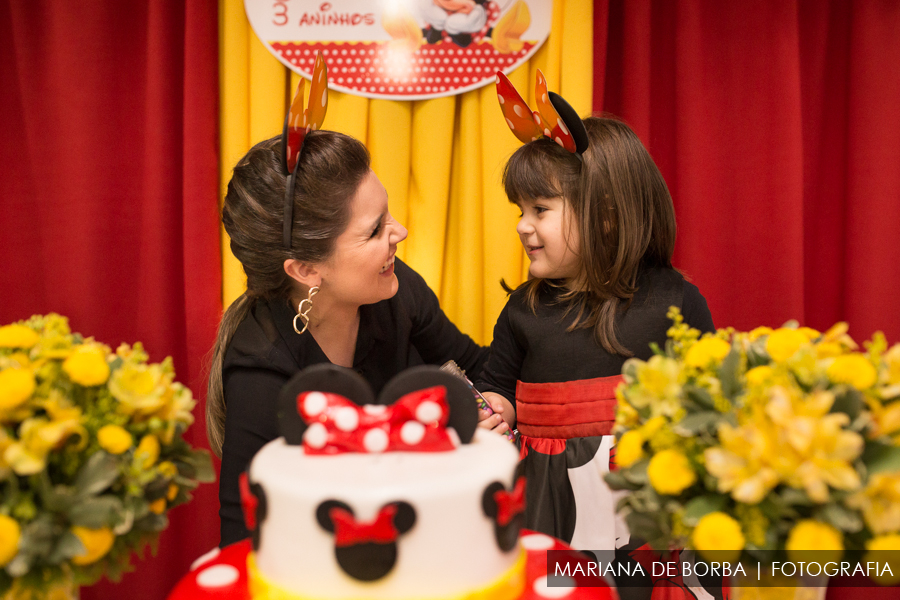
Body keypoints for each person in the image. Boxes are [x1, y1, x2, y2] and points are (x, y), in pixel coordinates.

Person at [208, 131, 489, 547]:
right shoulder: (260, 369)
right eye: (375, 230)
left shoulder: (395, 287)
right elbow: (246, 539)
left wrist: (493, 404)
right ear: (305, 270)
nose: (402, 232)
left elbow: (477, 367)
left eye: (388, 216)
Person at [476, 117, 715, 554]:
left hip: (649, 523)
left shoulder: (676, 303)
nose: (522, 225)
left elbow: (710, 404)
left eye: (540, 210)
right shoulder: (523, 310)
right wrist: (495, 408)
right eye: (521, 211)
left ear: (604, 217)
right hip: (552, 518)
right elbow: (498, 384)